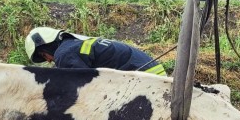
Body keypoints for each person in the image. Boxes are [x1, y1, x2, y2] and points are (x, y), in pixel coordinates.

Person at [25, 27, 167, 76]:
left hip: (147, 77)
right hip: (153, 70)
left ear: (49, 45)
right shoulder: (74, 45)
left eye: (44, 55)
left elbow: (82, 86)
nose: (49, 60)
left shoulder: (64, 54)